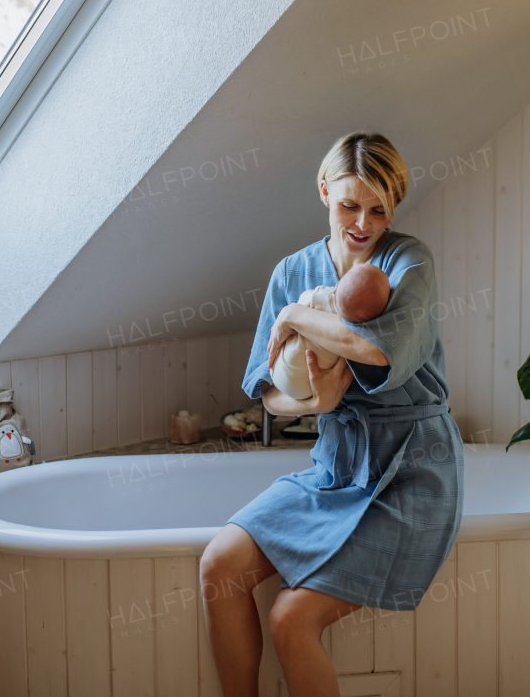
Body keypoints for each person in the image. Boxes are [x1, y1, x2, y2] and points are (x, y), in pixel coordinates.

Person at [199, 132, 464, 697]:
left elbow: (375, 349)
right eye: (350, 205)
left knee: (290, 619)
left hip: (410, 470)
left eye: (378, 209)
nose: (363, 223)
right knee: (220, 565)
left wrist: (296, 315)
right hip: (335, 464)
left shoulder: (407, 261)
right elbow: (267, 394)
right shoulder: (291, 270)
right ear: (324, 190)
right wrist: (310, 405)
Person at [269, 263, 391, 401]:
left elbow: (303, 300)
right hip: (308, 389)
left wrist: (292, 313)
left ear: (336, 288)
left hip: (281, 373)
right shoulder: (358, 333)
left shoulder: (319, 296)